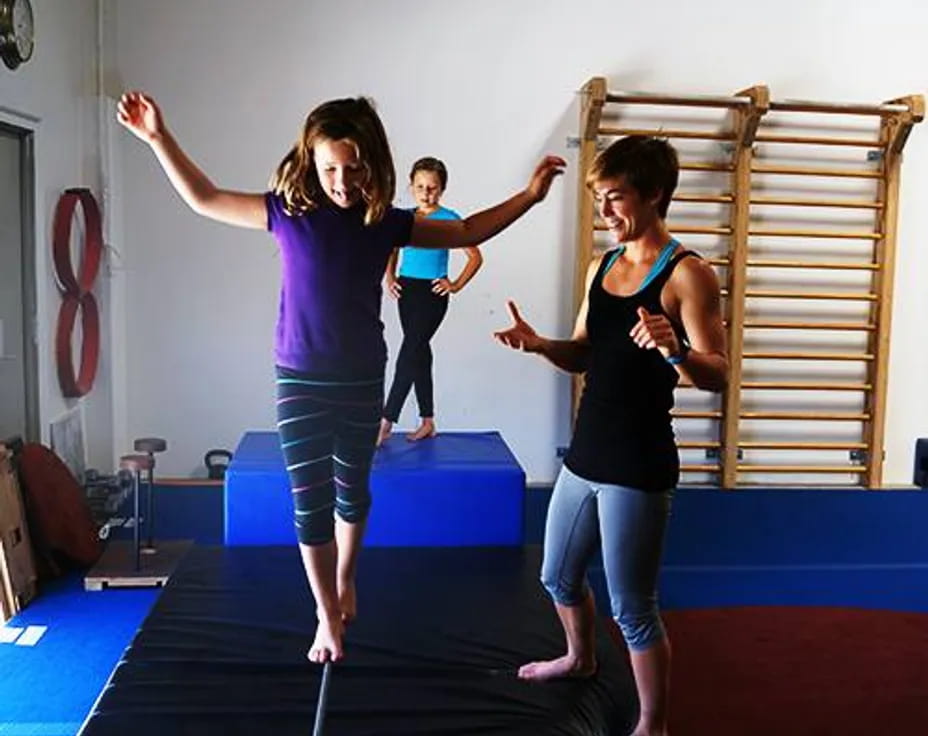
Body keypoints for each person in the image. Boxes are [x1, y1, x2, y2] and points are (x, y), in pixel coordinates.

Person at [116, 91, 565, 665]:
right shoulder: (286, 212)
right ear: (311, 161)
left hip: (359, 377)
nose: (342, 182)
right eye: (330, 168)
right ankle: (326, 613)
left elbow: (466, 230)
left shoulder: (384, 222)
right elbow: (204, 197)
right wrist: (158, 138)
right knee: (310, 501)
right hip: (299, 378)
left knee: (353, 492)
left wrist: (529, 196)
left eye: (354, 169)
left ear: (372, 164)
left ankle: (346, 577)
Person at [494, 135, 727, 736]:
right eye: (598, 197)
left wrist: (676, 351)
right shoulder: (602, 266)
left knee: (632, 609)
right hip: (586, 453)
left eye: (615, 197)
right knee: (556, 576)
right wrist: (541, 345)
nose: (603, 211)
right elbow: (584, 352)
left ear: (653, 195)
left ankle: (653, 723)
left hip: (639, 463)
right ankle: (579, 658)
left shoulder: (688, 274)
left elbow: (719, 374)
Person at [378, 157, 483, 445]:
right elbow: (392, 249)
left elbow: (475, 256)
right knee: (419, 353)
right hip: (407, 291)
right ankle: (427, 421)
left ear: (442, 189)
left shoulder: (450, 219)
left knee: (409, 351)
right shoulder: (405, 218)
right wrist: (390, 277)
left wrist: (455, 284)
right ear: (411, 187)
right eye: (421, 187)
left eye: (433, 188)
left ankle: (386, 420)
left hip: (432, 294)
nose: (426, 193)